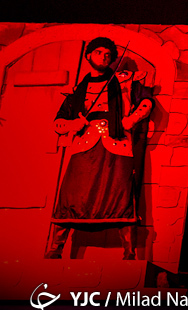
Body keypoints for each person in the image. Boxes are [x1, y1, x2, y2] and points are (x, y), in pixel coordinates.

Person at [46, 37, 153, 259]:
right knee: (72, 196)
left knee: (121, 195)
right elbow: (58, 122)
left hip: (117, 144)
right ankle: (55, 249)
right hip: (83, 146)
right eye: (98, 52)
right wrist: (73, 125)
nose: (104, 57)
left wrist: (131, 120)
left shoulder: (126, 83)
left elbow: (146, 102)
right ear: (88, 56)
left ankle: (129, 253)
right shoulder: (78, 90)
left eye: (107, 54)